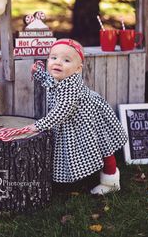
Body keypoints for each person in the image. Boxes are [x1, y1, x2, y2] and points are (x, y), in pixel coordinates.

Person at [27, 38, 128, 195]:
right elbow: (50, 81)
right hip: (75, 120)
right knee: (80, 147)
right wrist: (39, 74)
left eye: (66, 60)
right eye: (53, 58)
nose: (58, 63)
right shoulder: (60, 77)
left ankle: (111, 180)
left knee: (103, 144)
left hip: (90, 117)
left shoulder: (71, 88)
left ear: (78, 69)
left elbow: (61, 111)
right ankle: (70, 178)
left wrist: (38, 125)